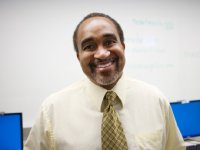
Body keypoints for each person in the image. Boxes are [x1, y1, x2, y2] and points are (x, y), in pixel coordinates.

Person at [24, 12, 185, 150]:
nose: (101, 53)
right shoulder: (51, 111)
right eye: (89, 46)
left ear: (123, 46)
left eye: (109, 42)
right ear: (78, 56)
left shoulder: (155, 100)